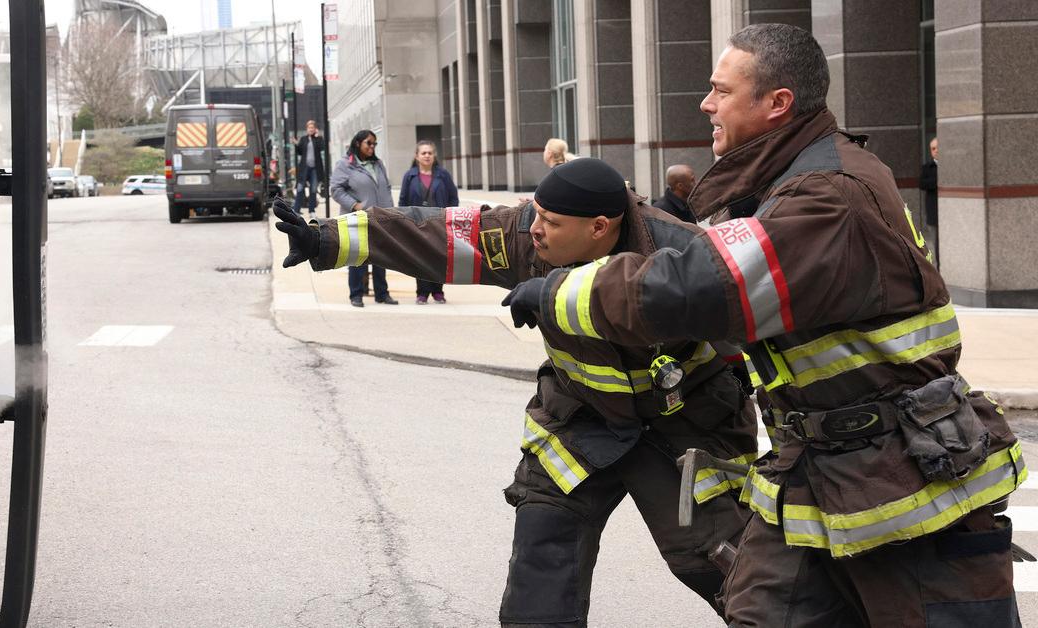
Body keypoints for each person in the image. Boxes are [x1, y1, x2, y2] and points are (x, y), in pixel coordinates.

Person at [502, 23, 1023, 627]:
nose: (706, 104)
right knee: (760, 611)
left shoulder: (828, 194)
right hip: (820, 470)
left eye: (721, 91)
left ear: (777, 104)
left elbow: (706, 285)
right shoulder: (791, 180)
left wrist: (562, 290)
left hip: (900, 483)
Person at [275, 157, 759, 626]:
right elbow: (432, 234)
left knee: (726, 571)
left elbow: (765, 328)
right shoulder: (522, 236)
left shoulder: (681, 252)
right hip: (579, 423)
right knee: (539, 574)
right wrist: (326, 238)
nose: (535, 228)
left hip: (680, 429)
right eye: (536, 216)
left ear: (598, 227)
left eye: (550, 221)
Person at [330, 129, 398, 307]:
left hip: (380, 217)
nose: (372, 147)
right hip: (357, 218)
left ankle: (382, 294)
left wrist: (390, 211)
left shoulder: (378, 164)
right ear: (358, 143)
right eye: (369, 143)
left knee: (381, 256)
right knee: (357, 256)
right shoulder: (345, 164)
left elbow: (386, 187)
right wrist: (355, 205)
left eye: (374, 144)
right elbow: (336, 190)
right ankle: (356, 294)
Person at [398, 140, 459, 304]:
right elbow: (403, 201)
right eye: (423, 153)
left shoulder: (443, 175)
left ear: (434, 156)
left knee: (439, 257)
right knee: (420, 258)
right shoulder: (409, 176)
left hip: (440, 223)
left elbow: (453, 197)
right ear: (417, 156)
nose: (427, 156)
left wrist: (451, 216)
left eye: (430, 153)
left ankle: (438, 291)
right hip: (417, 223)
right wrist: (404, 221)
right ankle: (422, 293)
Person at [293, 121, 327, 219]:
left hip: (314, 169)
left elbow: (322, 148)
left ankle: (311, 211)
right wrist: (296, 144)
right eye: (309, 128)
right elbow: (299, 152)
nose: (310, 129)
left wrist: (320, 136)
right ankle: (296, 210)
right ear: (307, 129)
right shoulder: (303, 139)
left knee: (313, 190)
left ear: (315, 129)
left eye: (312, 128)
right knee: (300, 189)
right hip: (304, 168)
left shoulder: (318, 139)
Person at [920, 136, 939, 265]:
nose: (936, 150)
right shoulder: (927, 167)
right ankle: (939, 268)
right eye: (933, 148)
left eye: (938, 147)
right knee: (936, 242)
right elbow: (922, 183)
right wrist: (938, 182)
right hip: (934, 211)